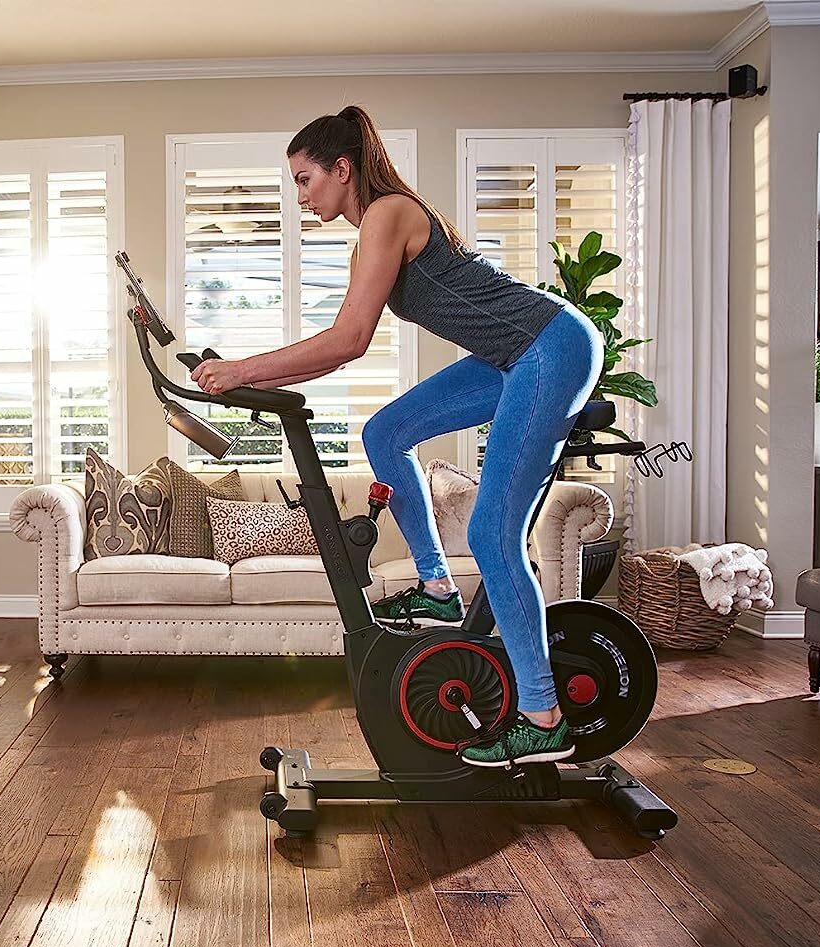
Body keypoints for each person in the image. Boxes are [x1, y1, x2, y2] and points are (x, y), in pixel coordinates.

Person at [191, 106, 603, 767]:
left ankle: (543, 715)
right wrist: (245, 375)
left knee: (493, 534)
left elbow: (349, 341)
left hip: (550, 346)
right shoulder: (369, 236)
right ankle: (438, 588)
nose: (300, 196)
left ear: (342, 169)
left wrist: (241, 368)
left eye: (305, 179)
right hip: (515, 355)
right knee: (387, 430)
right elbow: (337, 348)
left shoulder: (387, 212)